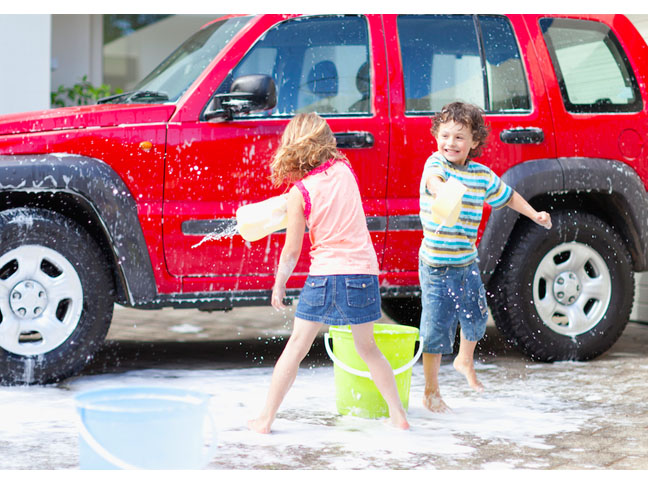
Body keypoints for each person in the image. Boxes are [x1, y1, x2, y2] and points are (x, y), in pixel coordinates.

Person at [248, 113, 409, 433]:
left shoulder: (300, 193)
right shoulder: (345, 170)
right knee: (368, 349)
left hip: (324, 276)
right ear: (326, 143)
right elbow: (333, 197)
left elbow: (292, 250)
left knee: (296, 347)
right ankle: (398, 416)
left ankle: (265, 419)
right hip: (361, 274)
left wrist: (279, 284)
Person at [419, 101, 552, 412]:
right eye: (446, 135)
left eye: (459, 137)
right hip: (436, 264)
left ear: (474, 142)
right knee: (436, 328)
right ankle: (431, 392)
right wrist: (441, 192)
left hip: (465, 262)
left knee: (477, 315)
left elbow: (509, 196)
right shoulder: (436, 164)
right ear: (437, 135)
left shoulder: (481, 176)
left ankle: (465, 360)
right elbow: (432, 180)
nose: (450, 143)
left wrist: (534, 214)